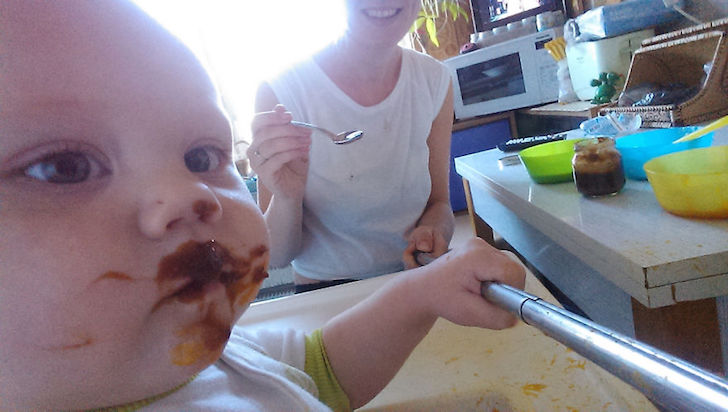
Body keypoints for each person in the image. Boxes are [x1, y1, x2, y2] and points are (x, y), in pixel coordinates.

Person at [0, 1, 525, 410]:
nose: (190, 194)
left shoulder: (225, 359)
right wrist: (289, 191)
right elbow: (281, 255)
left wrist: (422, 290)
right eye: (63, 167)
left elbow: (320, 372)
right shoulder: (285, 90)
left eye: (200, 155)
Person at [249, 0, 456, 292]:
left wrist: (434, 233)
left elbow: (440, 204)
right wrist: (287, 198)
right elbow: (278, 256)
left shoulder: (435, 80)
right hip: (328, 293)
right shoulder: (283, 91)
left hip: (416, 277)